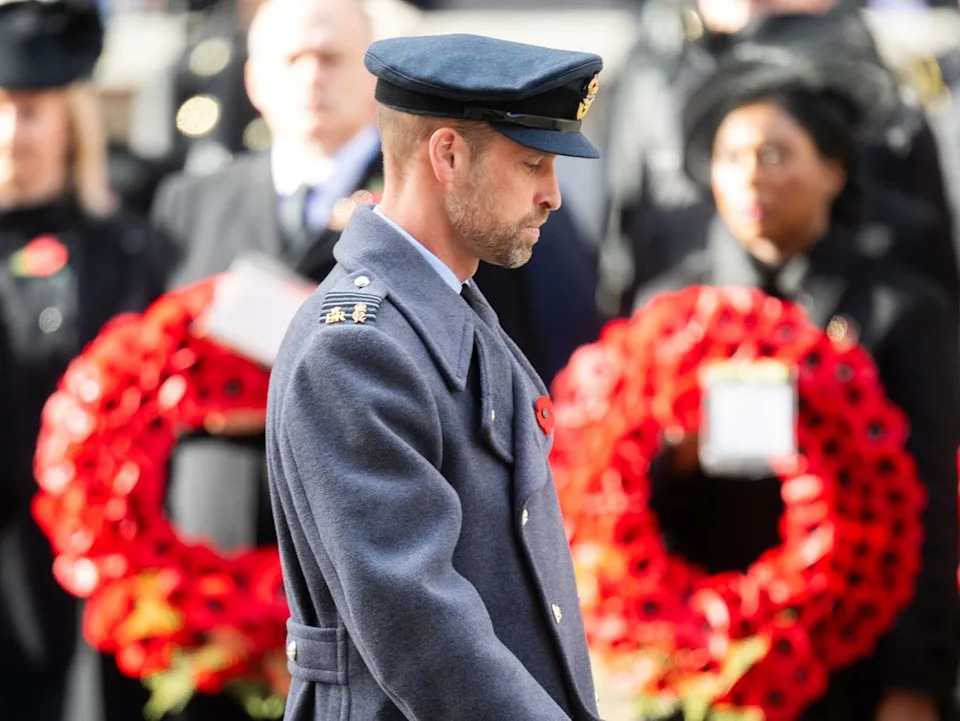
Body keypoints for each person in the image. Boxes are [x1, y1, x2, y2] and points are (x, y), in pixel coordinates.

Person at [266, 33, 604, 720]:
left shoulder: (446, 307)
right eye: (533, 163)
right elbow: (423, 631)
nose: (553, 196)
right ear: (447, 154)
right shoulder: (358, 347)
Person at [636, 48, 960, 721]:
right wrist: (680, 455)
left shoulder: (900, 313)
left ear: (834, 170)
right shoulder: (671, 310)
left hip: (851, 662)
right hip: (705, 658)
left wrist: (915, 681)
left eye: (776, 154)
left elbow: (930, 505)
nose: (751, 176)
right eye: (730, 158)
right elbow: (627, 492)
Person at [0, 2, 167, 720]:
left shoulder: (128, 246)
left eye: (32, 111)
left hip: (100, 561)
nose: (12, 134)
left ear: (70, 120)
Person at [599, 0, 958, 316]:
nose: (751, 176)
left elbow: (924, 242)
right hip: (697, 320)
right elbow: (624, 228)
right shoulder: (656, 69)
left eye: (771, 156)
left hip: (853, 324)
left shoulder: (873, 86)